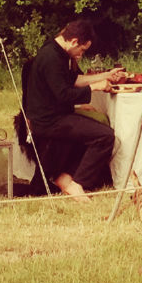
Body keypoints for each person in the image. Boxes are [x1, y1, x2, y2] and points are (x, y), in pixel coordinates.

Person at [21, 19, 126, 202]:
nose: (81, 54)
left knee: (98, 128)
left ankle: (65, 176)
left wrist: (106, 76)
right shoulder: (51, 57)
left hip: (55, 116)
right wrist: (94, 88)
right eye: (82, 50)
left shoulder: (57, 51)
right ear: (74, 41)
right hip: (49, 121)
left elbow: (74, 80)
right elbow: (64, 95)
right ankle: (77, 183)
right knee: (105, 136)